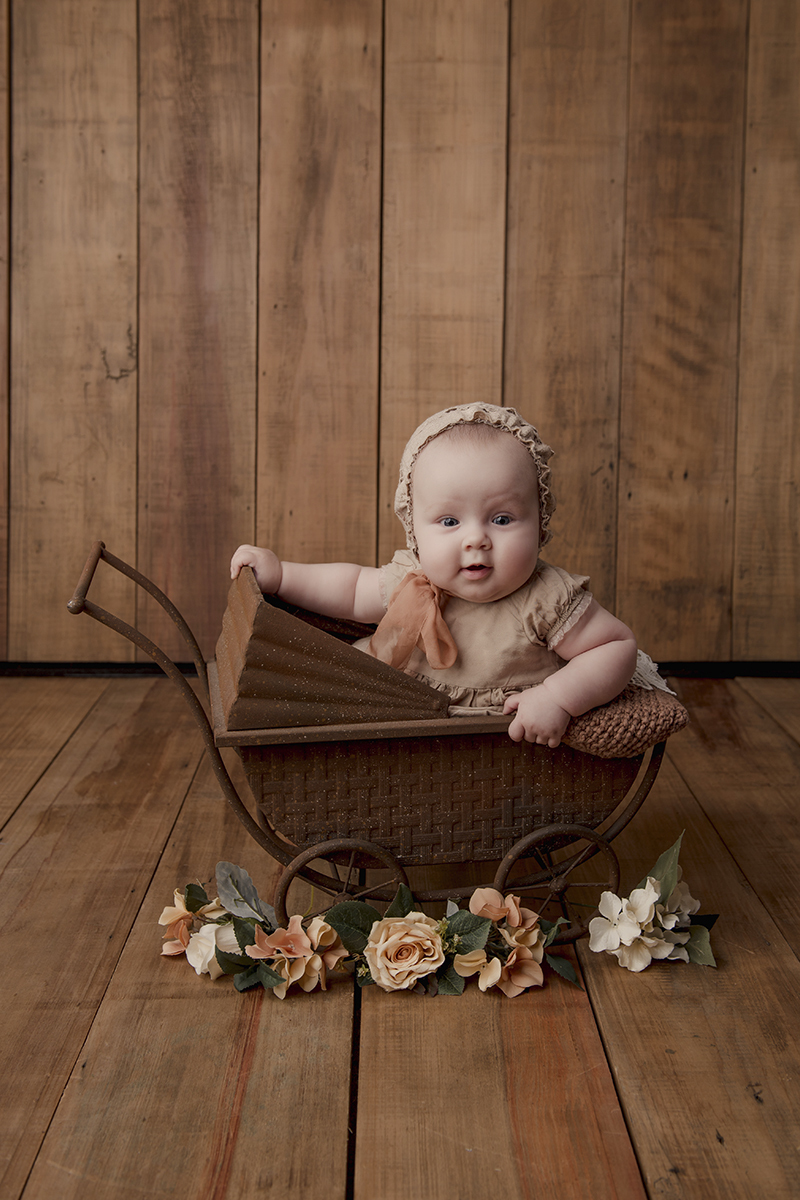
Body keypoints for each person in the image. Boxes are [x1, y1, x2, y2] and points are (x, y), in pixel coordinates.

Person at [230, 403, 638, 747]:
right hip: (398, 715)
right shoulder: (414, 579)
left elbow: (616, 647)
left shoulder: (546, 598)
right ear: (415, 529)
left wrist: (557, 698)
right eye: (449, 521)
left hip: (489, 740)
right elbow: (351, 588)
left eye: (501, 518)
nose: (475, 539)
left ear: (540, 521)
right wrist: (281, 575)